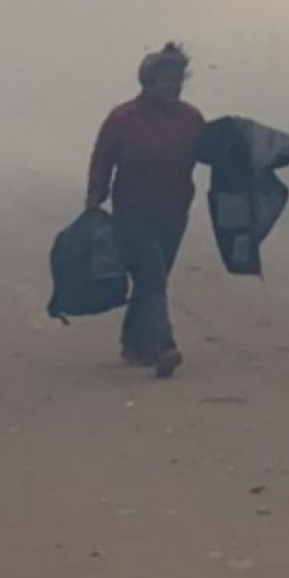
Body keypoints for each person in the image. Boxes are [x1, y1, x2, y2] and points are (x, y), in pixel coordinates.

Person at [85, 42, 205, 378]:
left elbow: (211, 153)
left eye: (177, 80)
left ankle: (133, 342)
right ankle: (163, 346)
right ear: (148, 82)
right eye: (166, 80)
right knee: (152, 275)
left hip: (175, 210)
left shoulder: (191, 118)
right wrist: (95, 198)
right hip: (133, 213)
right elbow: (103, 158)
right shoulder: (123, 118)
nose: (173, 86)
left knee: (154, 279)